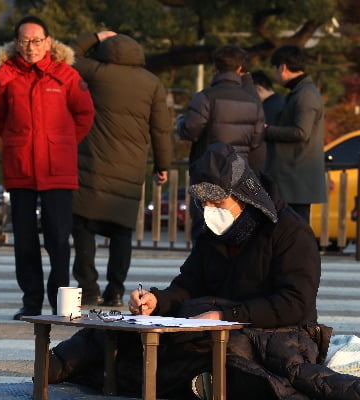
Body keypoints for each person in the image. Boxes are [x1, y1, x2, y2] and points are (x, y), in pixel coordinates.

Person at [47, 143, 360, 400]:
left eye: (218, 203)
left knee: (222, 352)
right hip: (209, 323)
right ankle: (55, 366)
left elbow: (295, 303)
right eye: (205, 203)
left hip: (274, 331)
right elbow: (189, 282)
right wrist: (157, 300)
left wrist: (227, 315)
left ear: (244, 195)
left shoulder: (289, 231)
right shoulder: (212, 232)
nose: (210, 210)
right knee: (121, 329)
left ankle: (173, 381)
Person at [0, 16, 94, 320]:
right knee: (24, 239)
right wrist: (17, 141)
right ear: (15, 43)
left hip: (57, 168)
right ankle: (31, 301)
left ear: (48, 42)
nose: (30, 46)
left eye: (36, 40)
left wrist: (61, 142)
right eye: (24, 40)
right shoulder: (3, 77)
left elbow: (84, 114)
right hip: (20, 168)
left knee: (59, 238)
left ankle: (60, 300)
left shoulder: (66, 76)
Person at [68, 31, 172, 307]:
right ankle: (115, 290)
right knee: (122, 233)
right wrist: (163, 165)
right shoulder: (151, 82)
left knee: (83, 229)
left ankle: (88, 288)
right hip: (129, 171)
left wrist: (93, 36)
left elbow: (64, 57)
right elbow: (161, 129)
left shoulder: (94, 71)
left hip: (90, 164)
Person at [176, 44, 265, 238]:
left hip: (208, 171)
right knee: (235, 230)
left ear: (215, 68)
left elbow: (190, 130)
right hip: (240, 174)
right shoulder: (253, 102)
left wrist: (180, 122)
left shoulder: (205, 97)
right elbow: (256, 140)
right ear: (240, 69)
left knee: (204, 229)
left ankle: (204, 268)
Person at [264, 45, 327, 223]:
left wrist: (267, 131)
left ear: (282, 67)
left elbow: (301, 132)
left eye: (275, 69)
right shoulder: (301, 92)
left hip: (296, 179)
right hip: (294, 179)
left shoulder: (304, 95)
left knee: (295, 231)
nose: (275, 75)